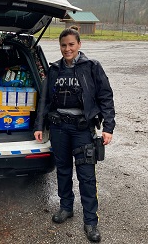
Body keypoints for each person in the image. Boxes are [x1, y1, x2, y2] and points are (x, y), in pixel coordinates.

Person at [34, 26, 115, 242]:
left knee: (87, 176)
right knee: (62, 170)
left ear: (79, 44)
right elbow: (44, 100)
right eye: (63, 45)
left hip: (82, 130)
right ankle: (66, 207)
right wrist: (39, 125)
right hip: (59, 128)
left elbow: (106, 97)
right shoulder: (54, 70)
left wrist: (108, 127)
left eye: (71, 44)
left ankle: (91, 222)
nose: (67, 48)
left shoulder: (92, 67)